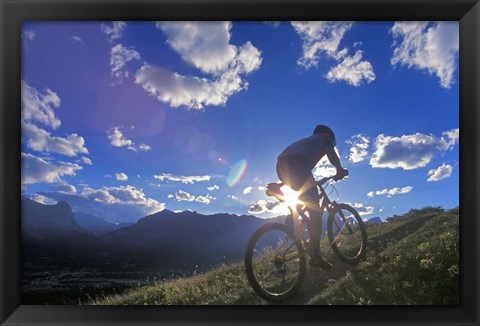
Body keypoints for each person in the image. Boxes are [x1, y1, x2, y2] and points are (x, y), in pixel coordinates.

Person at [276, 125, 348, 270]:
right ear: (330, 137)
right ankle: (315, 256)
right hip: (297, 165)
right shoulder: (324, 138)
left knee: (305, 195)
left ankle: (294, 216)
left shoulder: (307, 142)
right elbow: (331, 153)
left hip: (281, 165)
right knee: (316, 212)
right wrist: (339, 169)